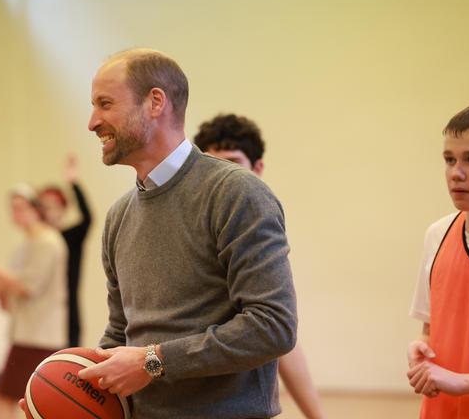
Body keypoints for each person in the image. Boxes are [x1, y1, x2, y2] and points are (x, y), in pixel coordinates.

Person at [74, 48, 297, 418]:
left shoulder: (236, 193)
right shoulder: (118, 217)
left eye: (105, 103)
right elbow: (119, 335)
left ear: (155, 102)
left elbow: (272, 326)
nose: (92, 121)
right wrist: (70, 392)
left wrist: (153, 362)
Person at [194, 113, 327, 419]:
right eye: (211, 165)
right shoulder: (188, 229)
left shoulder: (256, 228)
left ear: (258, 168)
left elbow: (281, 338)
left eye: (232, 163)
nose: (221, 177)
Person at [0, 184, 67, 419]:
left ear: (35, 209)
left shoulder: (49, 242)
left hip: (40, 337)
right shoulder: (24, 246)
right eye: (12, 208)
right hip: (25, 333)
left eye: (20, 208)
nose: (15, 214)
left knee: (18, 401)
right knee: (13, 399)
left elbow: (26, 286)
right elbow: (8, 289)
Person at [407, 105, 469, 418]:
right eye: (450, 160)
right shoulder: (437, 234)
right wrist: (422, 349)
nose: (457, 173)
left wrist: (463, 382)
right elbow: (431, 330)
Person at [38, 155, 93, 348]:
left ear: (63, 209)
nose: (48, 211)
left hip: (67, 308)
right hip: (42, 310)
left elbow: (87, 218)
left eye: (53, 206)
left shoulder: (71, 237)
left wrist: (73, 184)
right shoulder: (39, 242)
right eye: (43, 206)